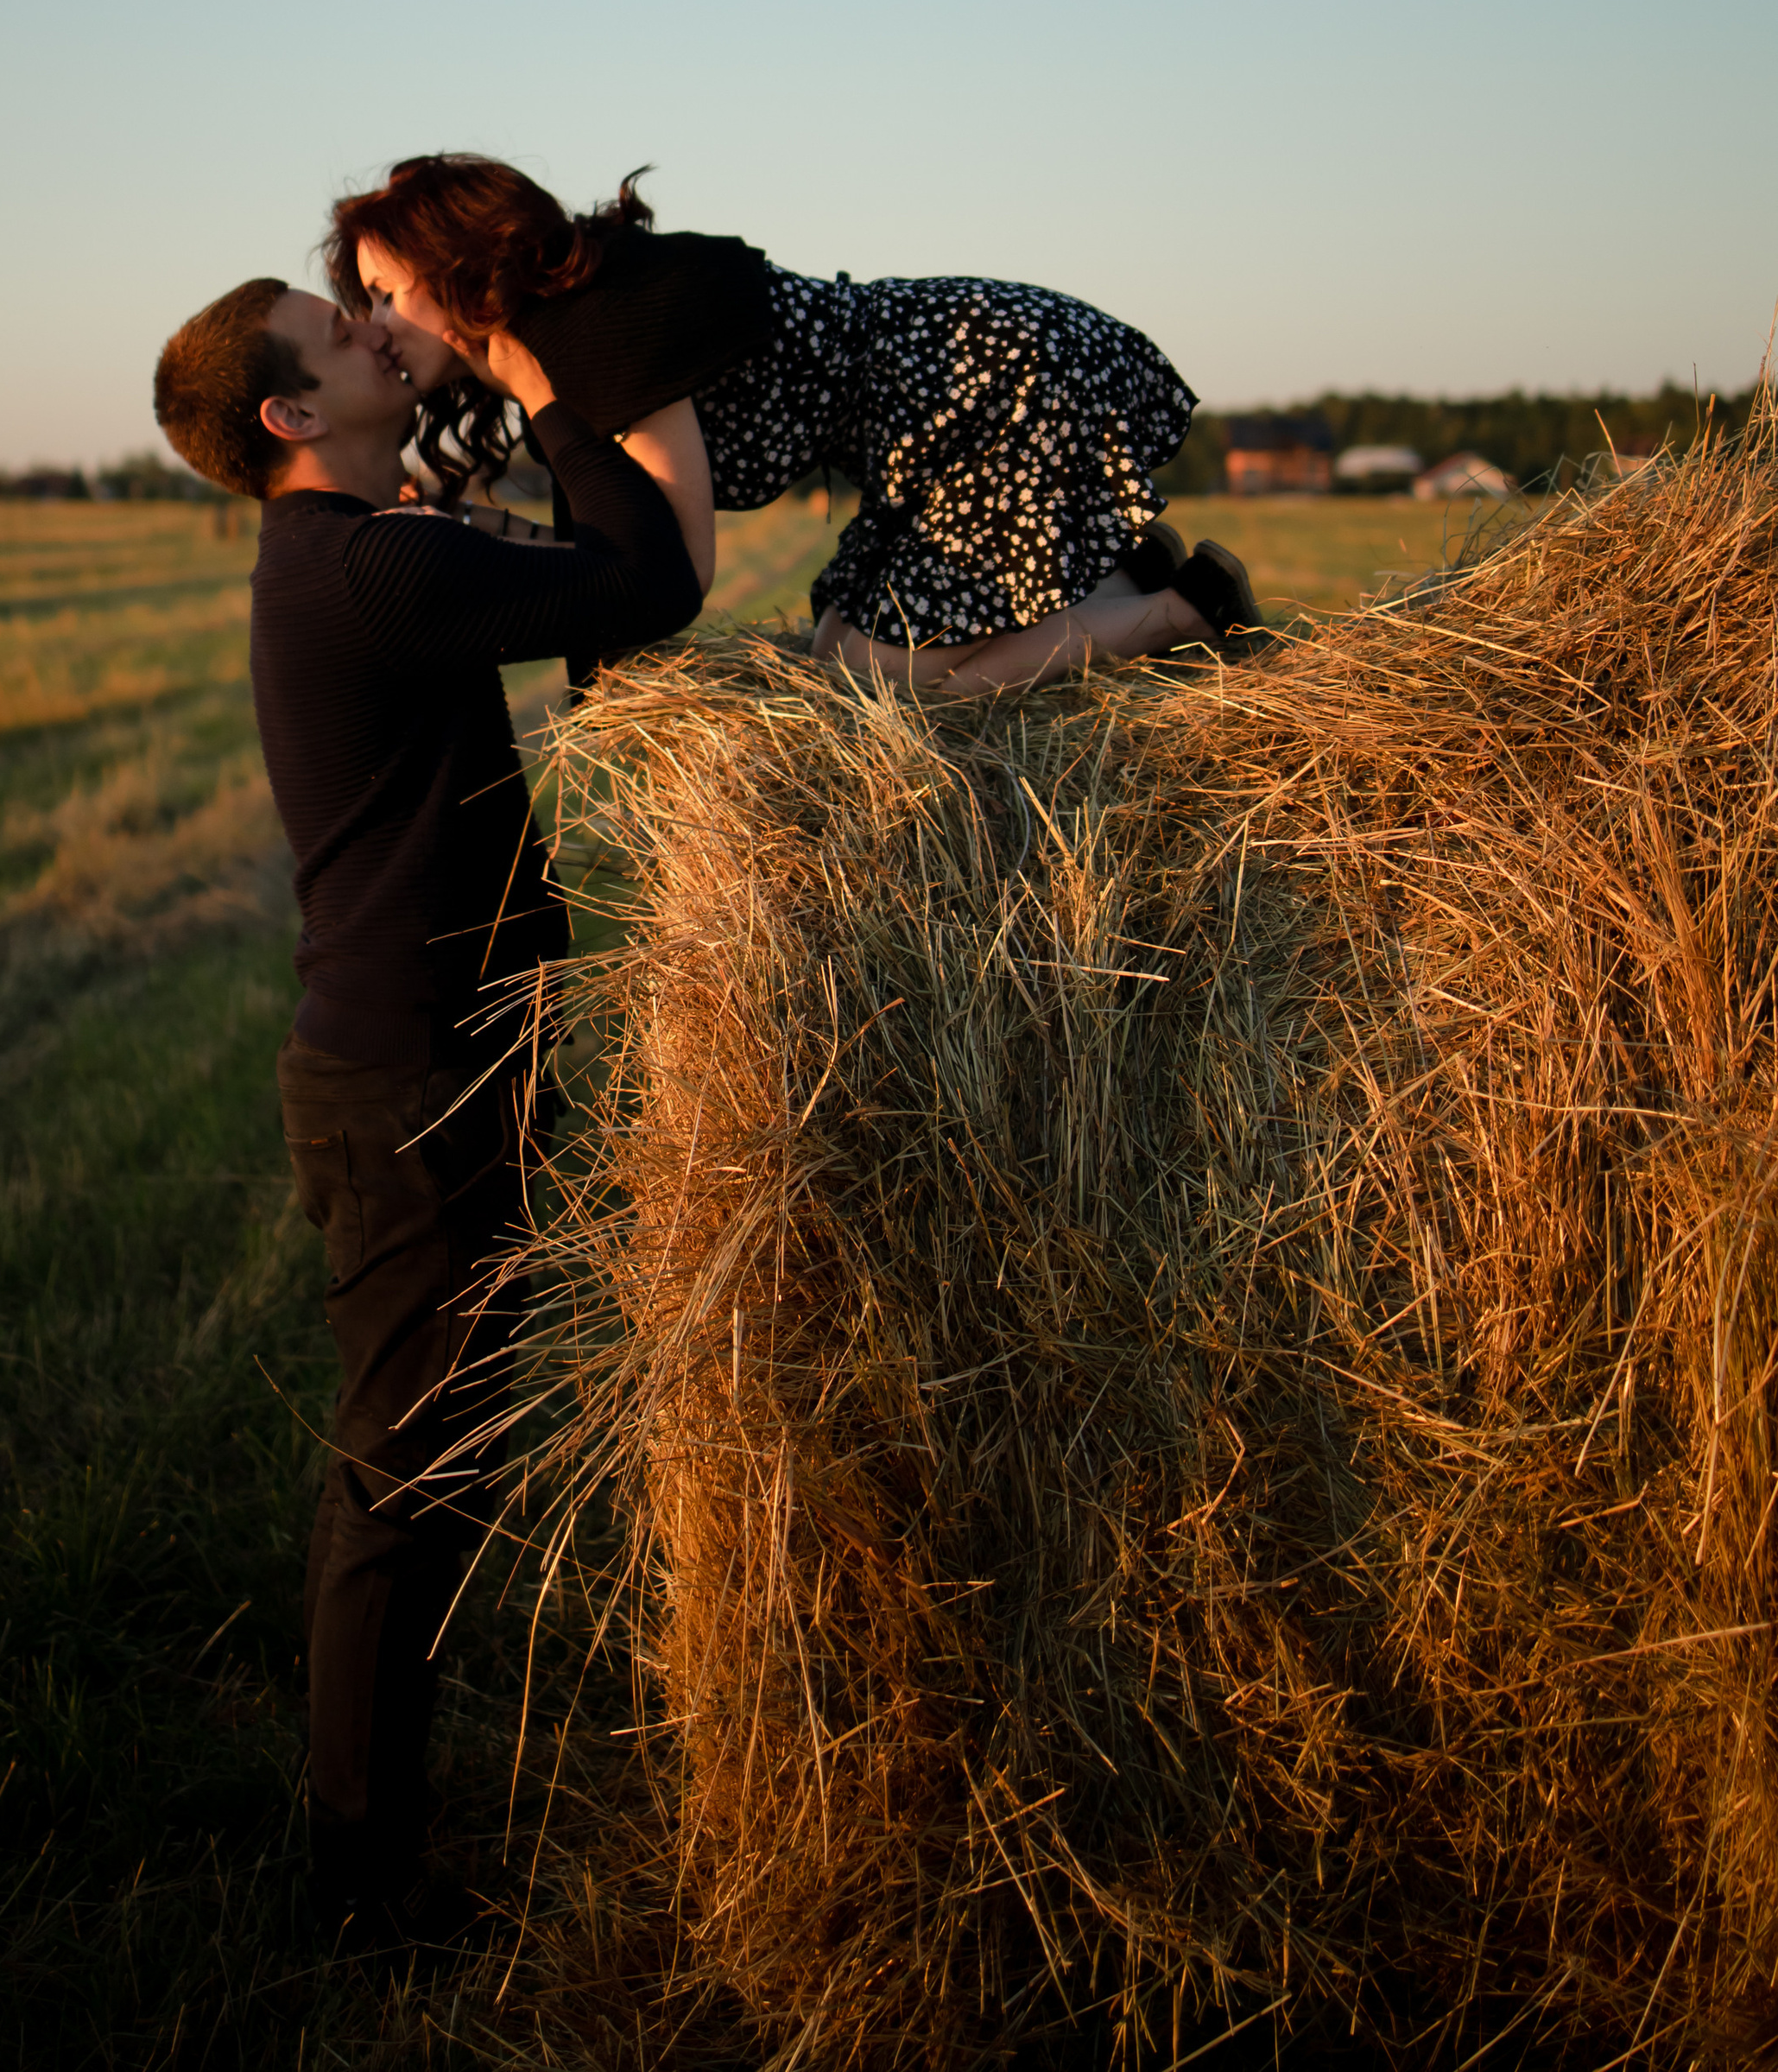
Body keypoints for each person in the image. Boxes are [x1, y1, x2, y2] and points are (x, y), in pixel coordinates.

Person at [150, 275, 698, 1947]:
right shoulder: (375, 566)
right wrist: (549, 379)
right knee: (408, 1473)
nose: (381, 334)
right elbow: (648, 578)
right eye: (347, 334)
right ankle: (359, 1884)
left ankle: (367, 1837)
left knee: (421, 1463)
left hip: (415, 1058)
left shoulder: (354, 552)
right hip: (412, 1080)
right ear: (290, 417)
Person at [324, 155, 1268, 690]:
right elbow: (612, 543)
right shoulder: (559, 345)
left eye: (384, 294)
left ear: (452, 261)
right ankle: (1118, 579)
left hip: (990, 387)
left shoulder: (592, 339)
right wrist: (468, 532)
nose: (376, 327)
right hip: (938, 413)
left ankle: (1187, 607)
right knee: (833, 654)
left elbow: (670, 579)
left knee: (882, 677)